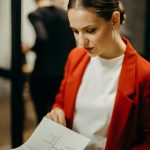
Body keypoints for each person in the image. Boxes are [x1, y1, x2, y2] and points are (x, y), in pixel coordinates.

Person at [46, 0, 150, 149]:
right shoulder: (75, 57)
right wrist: (57, 112)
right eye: (75, 31)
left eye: (90, 30)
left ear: (114, 20)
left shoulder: (144, 74)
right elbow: (61, 100)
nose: (81, 42)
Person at [24, 0, 76, 123]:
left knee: (42, 116)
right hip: (62, 75)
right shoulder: (65, 14)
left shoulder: (36, 15)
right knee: (59, 116)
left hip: (43, 74)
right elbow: (72, 45)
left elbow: (42, 38)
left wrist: (30, 48)